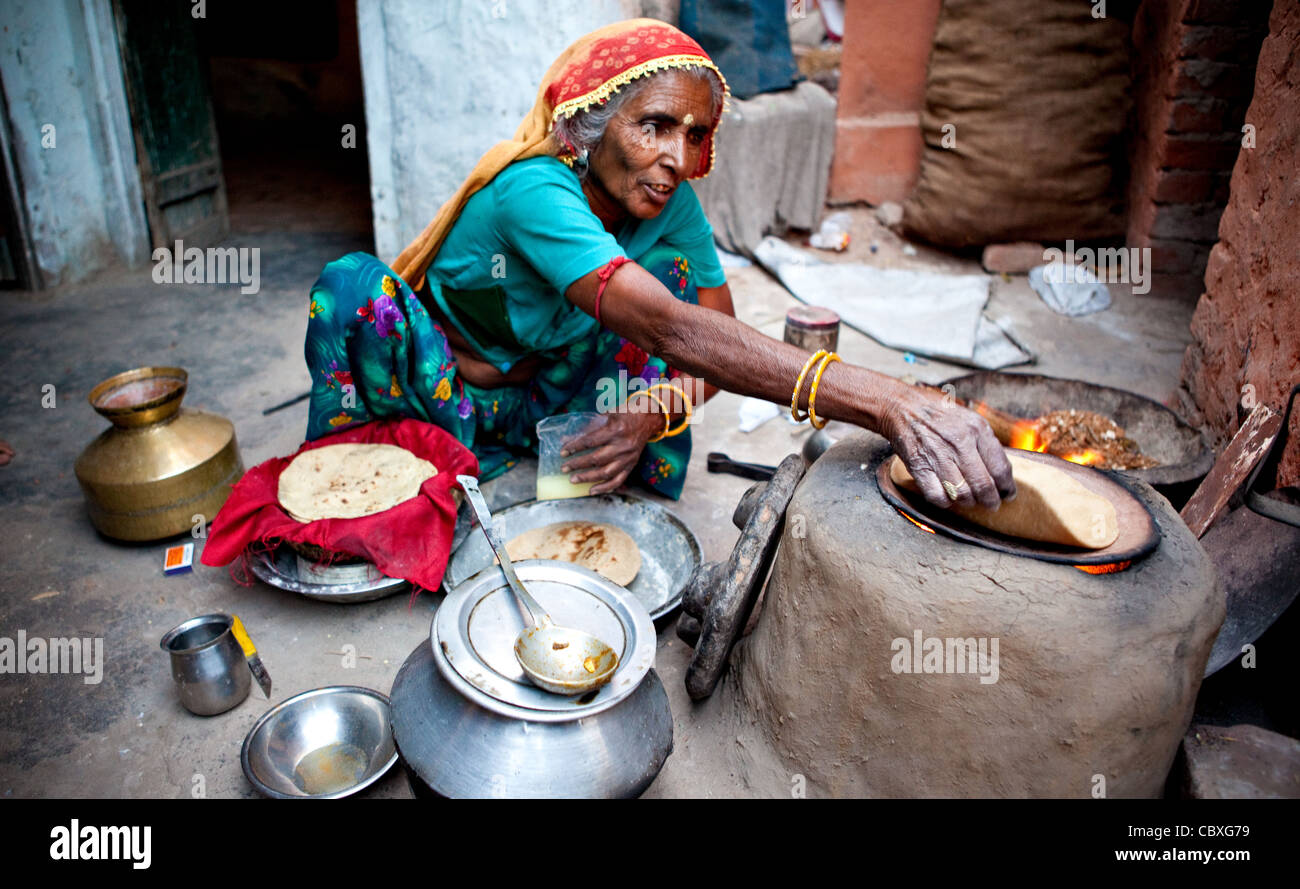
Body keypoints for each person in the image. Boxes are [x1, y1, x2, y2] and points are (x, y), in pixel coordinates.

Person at [303, 18, 1013, 510]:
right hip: (445, 395)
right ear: (585, 127)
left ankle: (570, 453)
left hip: (547, 401)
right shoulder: (534, 191)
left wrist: (644, 417)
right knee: (353, 289)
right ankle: (392, 460)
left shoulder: (666, 202)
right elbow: (674, 334)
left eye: (695, 133)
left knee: (671, 290)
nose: (678, 158)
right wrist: (887, 399)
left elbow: (715, 331)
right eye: (654, 126)